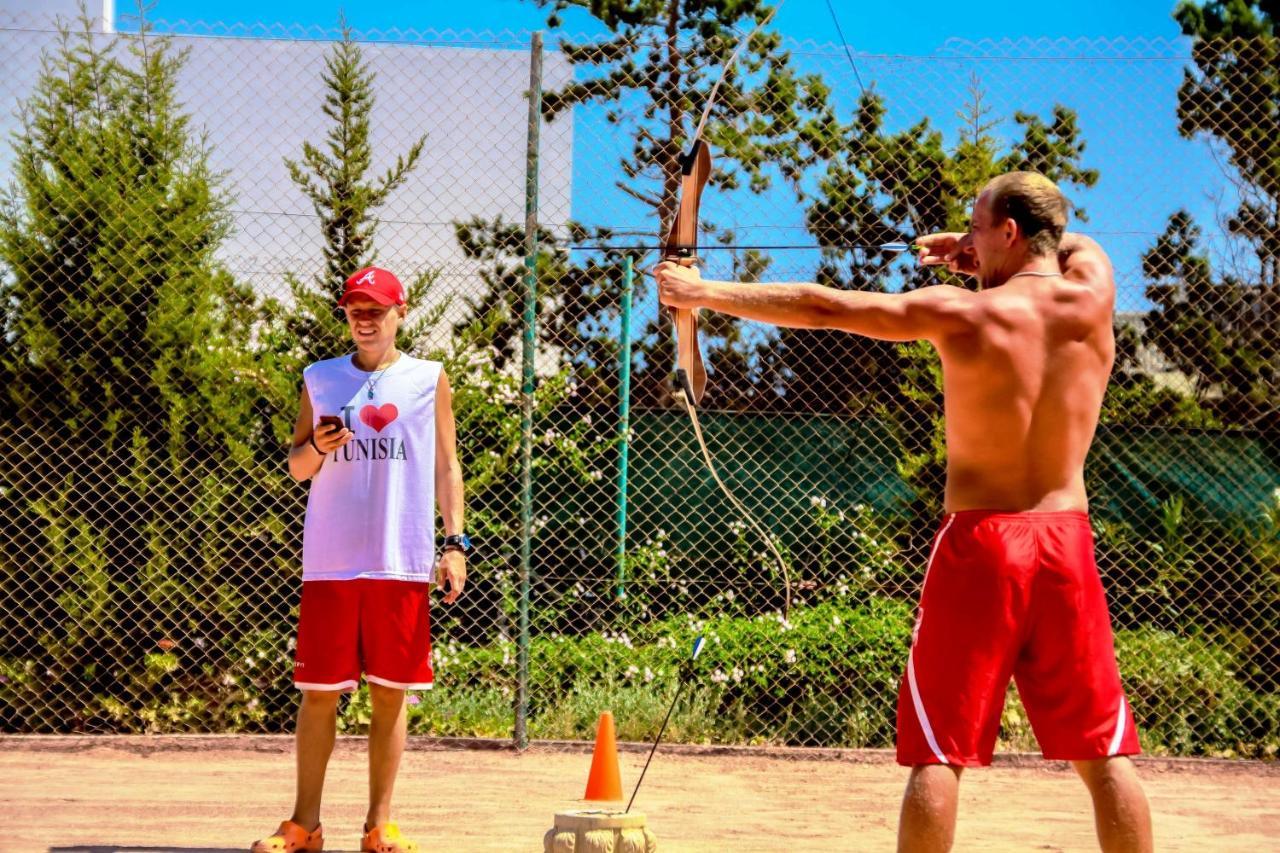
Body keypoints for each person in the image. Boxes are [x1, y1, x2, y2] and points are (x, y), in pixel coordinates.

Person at [654, 171, 1153, 853]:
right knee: (1103, 752)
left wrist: (700, 292)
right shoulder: (1095, 295)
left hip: (983, 543)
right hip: (1067, 542)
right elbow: (1076, 241)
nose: (966, 240)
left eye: (977, 226)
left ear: (1009, 233)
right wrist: (989, 245)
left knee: (939, 751)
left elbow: (823, 305)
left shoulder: (964, 311)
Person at [252, 266, 471, 853]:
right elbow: (298, 466)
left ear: (401, 312)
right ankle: (304, 825)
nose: (364, 317)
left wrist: (456, 544)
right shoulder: (320, 379)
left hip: (399, 558)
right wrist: (316, 447)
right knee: (318, 692)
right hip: (331, 560)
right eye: (355, 308)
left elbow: (446, 467)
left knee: (390, 692)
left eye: (376, 308)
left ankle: (380, 825)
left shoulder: (428, 378)